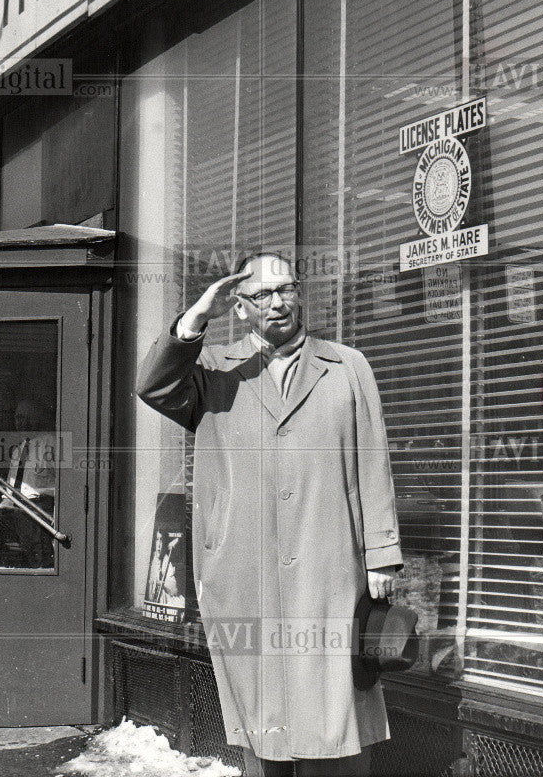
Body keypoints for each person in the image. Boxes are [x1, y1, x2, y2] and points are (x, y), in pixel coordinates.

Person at [136, 252, 403, 776]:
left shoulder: (347, 366)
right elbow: (153, 386)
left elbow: (373, 459)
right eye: (261, 295)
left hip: (329, 568)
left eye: (286, 289)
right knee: (261, 721)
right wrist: (195, 320)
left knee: (337, 716)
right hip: (243, 569)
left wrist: (383, 554)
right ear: (239, 307)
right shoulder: (212, 370)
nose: (278, 302)